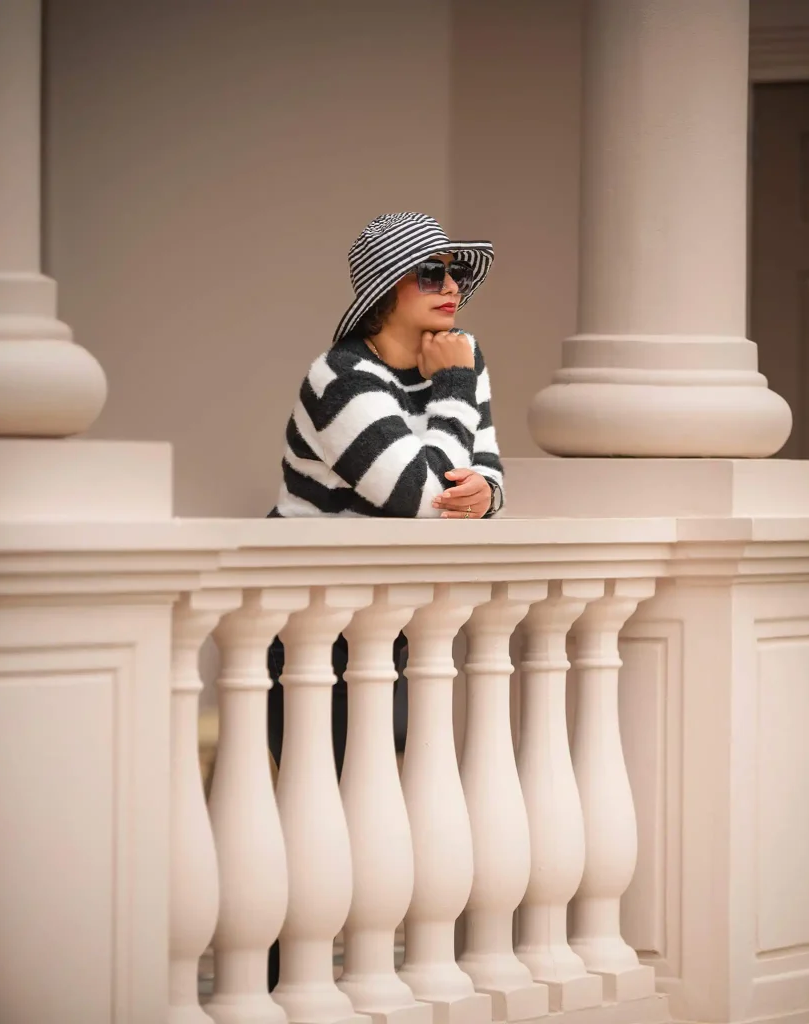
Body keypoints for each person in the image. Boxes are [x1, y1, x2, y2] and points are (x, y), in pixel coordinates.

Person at [265, 211, 504, 988]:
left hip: (391, 629)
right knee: (312, 806)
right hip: (307, 631)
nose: (450, 288)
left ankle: (351, 974)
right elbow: (419, 498)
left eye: (455, 273)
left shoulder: (461, 366)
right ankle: (280, 977)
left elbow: (485, 479)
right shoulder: (339, 377)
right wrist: (456, 400)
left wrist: (484, 491)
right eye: (428, 272)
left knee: (377, 803)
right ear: (382, 291)